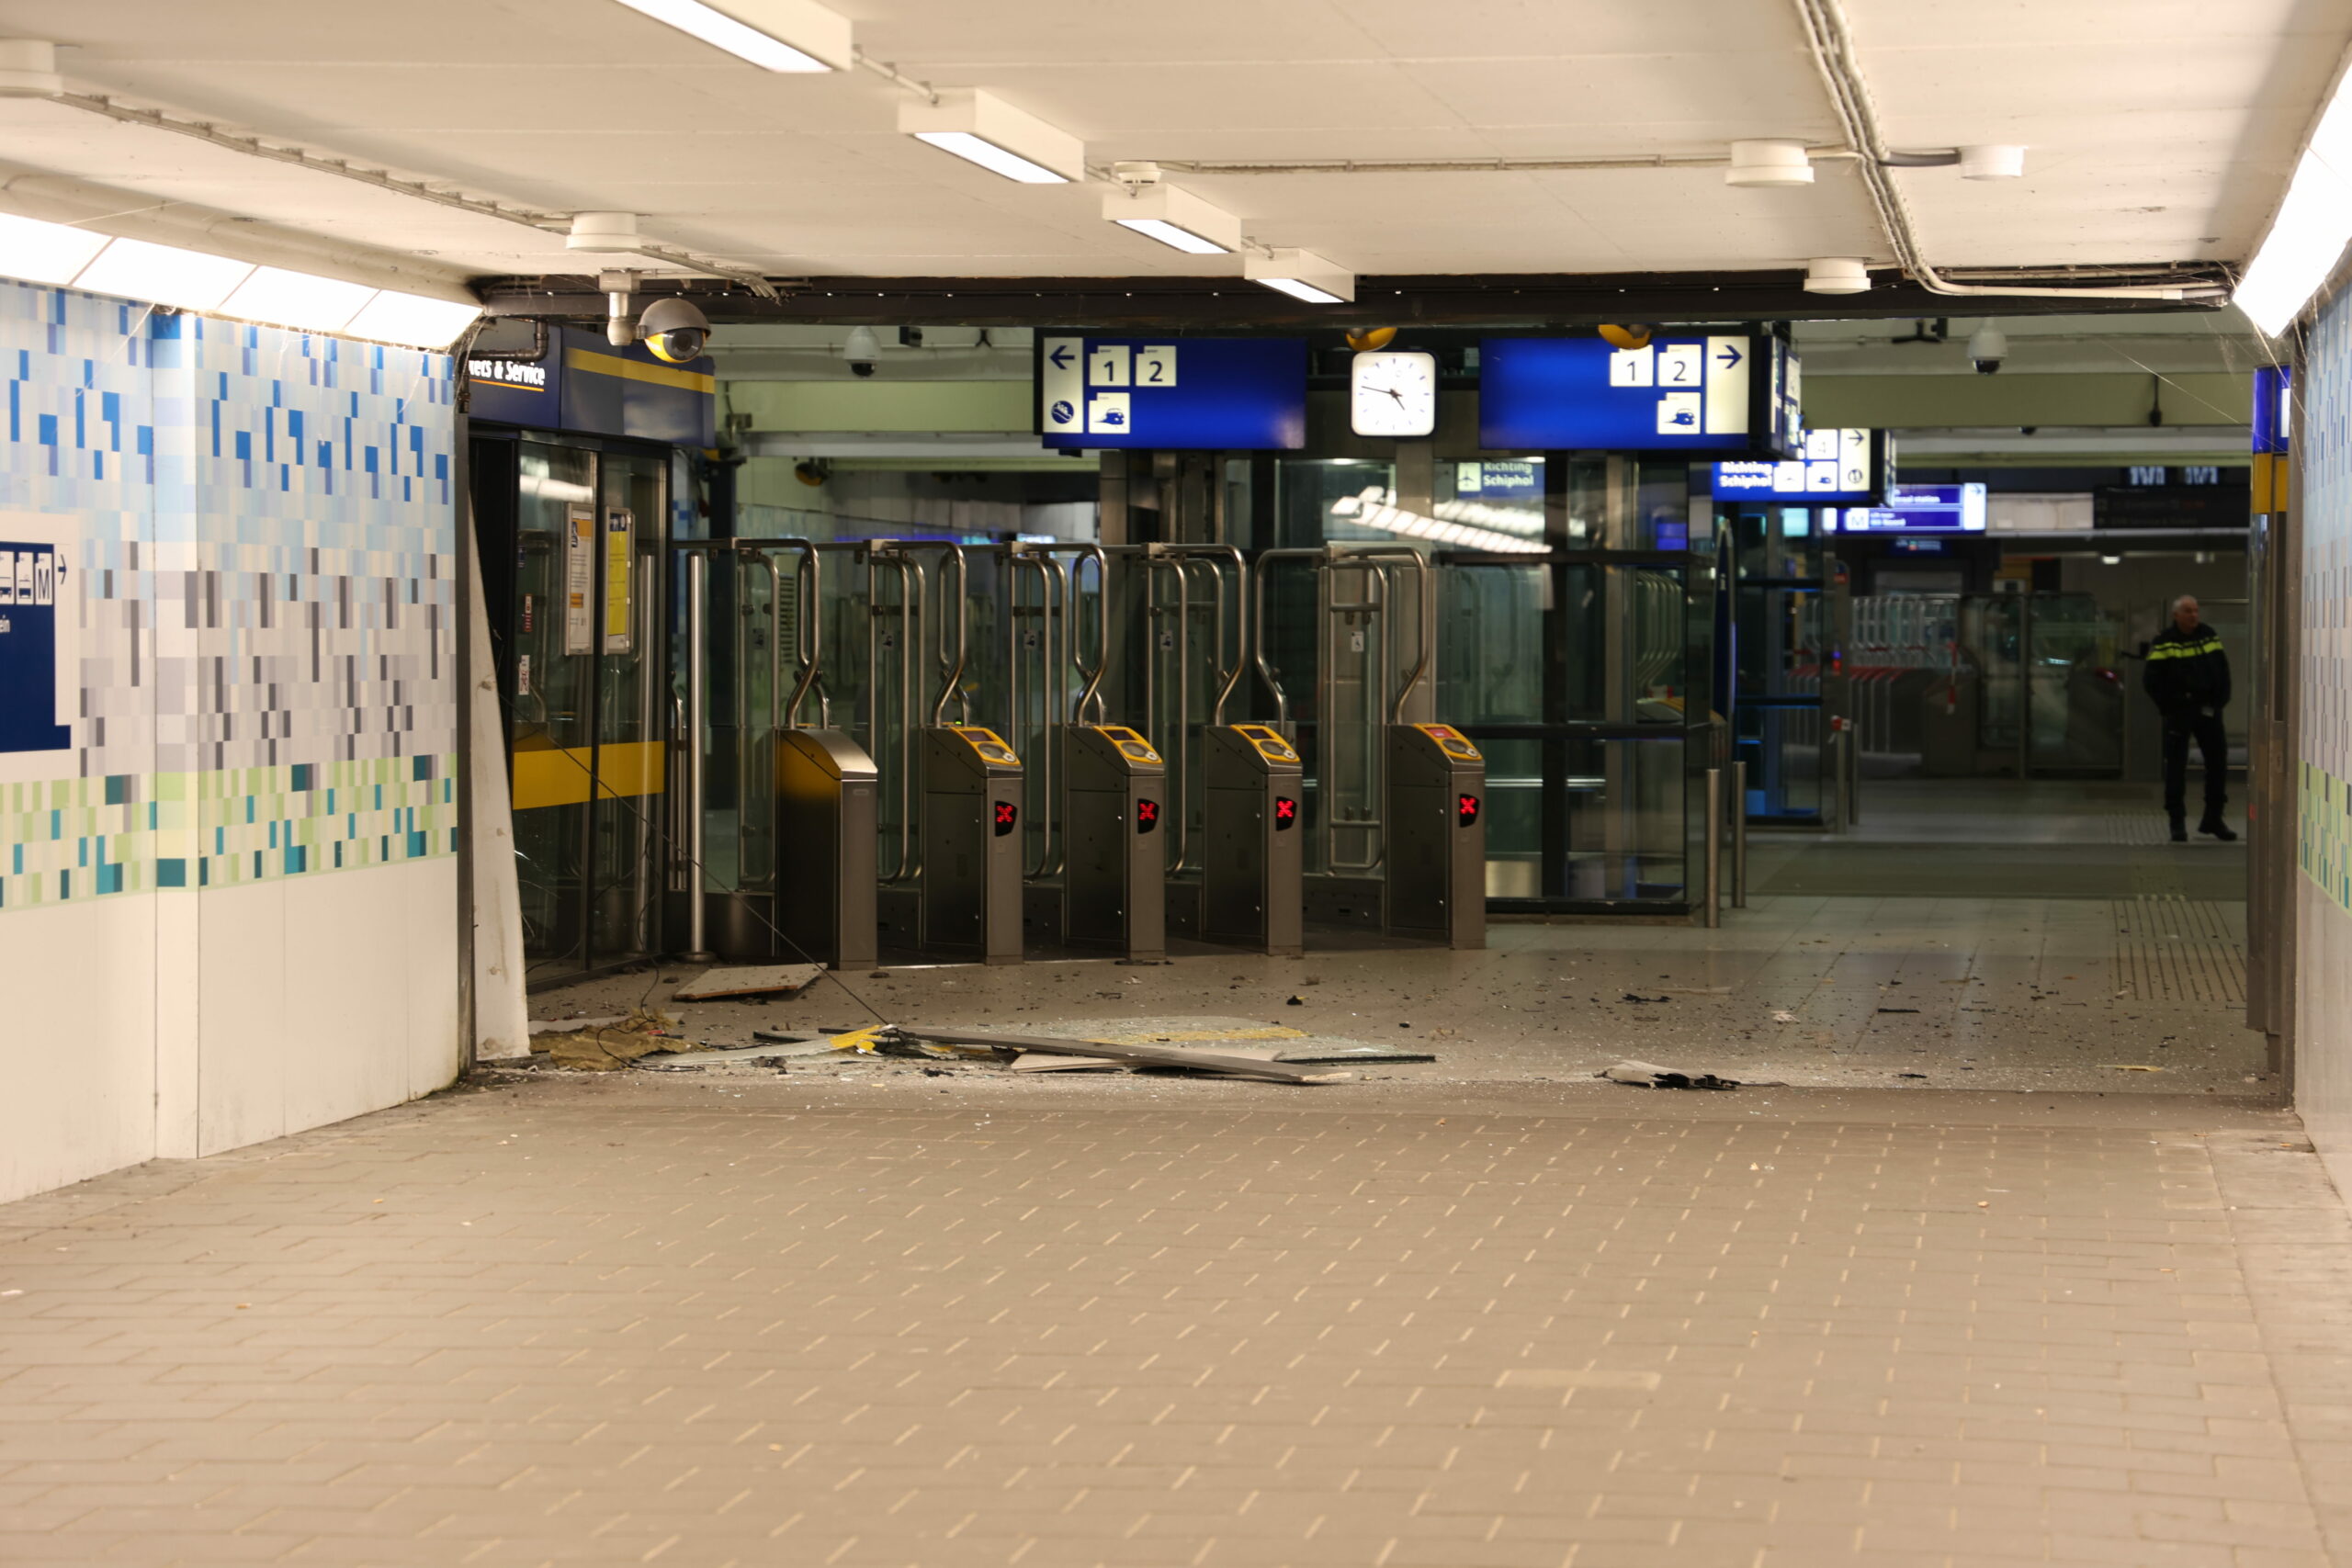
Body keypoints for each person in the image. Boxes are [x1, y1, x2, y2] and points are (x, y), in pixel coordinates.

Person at [2142, 595, 2235, 842]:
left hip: (2208, 711)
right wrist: (2170, 707)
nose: (2193, 615)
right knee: (2175, 768)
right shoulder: (2164, 642)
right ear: (2176, 615)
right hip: (2179, 714)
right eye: (2187, 611)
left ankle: (2214, 818)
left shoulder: (2209, 635)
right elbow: (2151, 680)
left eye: (2195, 610)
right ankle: (2177, 822)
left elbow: (2223, 671)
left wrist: (2219, 702)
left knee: (2217, 764)